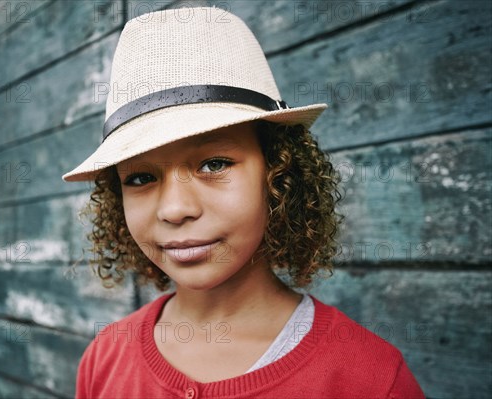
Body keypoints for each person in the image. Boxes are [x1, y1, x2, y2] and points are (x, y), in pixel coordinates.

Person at [63, 6, 425, 399]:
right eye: (140, 178)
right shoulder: (104, 358)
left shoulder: (370, 379)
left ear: (278, 174)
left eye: (214, 163)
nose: (174, 208)